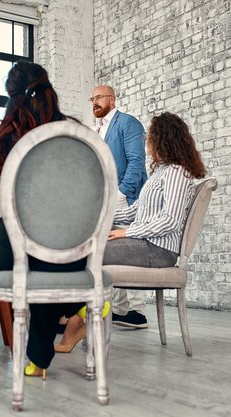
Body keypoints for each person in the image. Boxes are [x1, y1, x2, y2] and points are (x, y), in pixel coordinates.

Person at [56, 112, 207, 353]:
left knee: (88, 252)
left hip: (158, 251)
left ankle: (75, 320)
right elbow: (136, 210)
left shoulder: (178, 173)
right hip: (145, 243)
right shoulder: (161, 173)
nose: (146, 142)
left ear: (163, 140)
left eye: (150, 138)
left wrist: (127, 233)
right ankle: (77, 317)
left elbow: (171, 221)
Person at [0, 61, 89, 379]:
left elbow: (12, 200)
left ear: (11, 97)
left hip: (31, 240)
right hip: (78, 244)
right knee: (47, 261)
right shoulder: (78, 133)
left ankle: (40, 354)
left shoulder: (11, 138)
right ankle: (76, 306)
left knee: (4, 242)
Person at [90, 85, 149, 328]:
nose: (94, 102)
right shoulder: (99, 129)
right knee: (116, 252)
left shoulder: (128, 123)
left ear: (112, 100)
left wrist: (123, 193)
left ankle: (138, 311)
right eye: (92, 99)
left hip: (127, 199)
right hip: (106, 201)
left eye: (99, 98)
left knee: (130, 253)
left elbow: (137, 160)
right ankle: (121, 310)